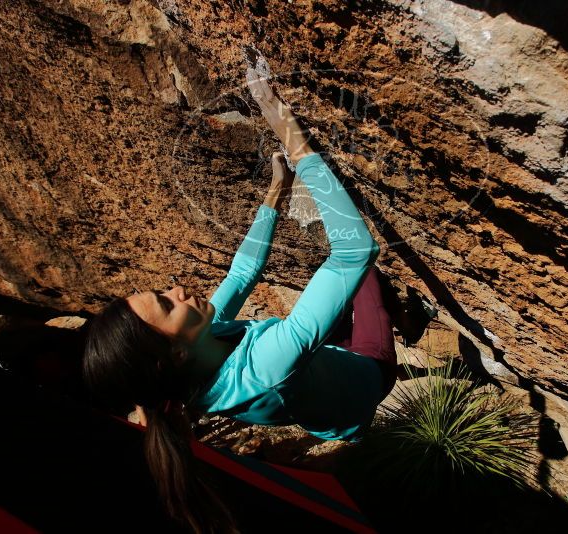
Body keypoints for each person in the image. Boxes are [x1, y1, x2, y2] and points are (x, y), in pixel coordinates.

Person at [82, 68, 398, 533]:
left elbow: (243, 274)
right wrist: (290, 135)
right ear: (174, 353)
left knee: (332, 303)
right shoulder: (265, 367)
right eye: (167, 306)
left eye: (163, 292)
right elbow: (354, 251)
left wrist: (277, 189)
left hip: (324, 382)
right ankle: (396, 318)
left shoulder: (194, 366)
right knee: (367, 276)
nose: (178, 291)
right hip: (368, 374)